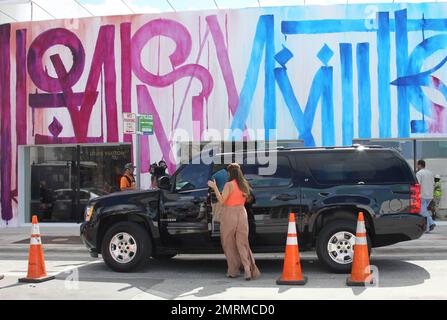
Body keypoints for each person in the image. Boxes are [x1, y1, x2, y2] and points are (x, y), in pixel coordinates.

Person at [208, 163, 261, 281]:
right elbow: (248, 199)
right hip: (242, 213)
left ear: (229, 173)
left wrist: (214, 187)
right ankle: (248, 269)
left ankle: (233, 271)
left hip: (229, 213)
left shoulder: (229, 185)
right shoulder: (244, 185)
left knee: (228, 242)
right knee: (243, 243)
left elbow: (221, 201)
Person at [416, 160, 436, 232]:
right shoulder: (430, 173)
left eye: (417, 165)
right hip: (430, 195)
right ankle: (427, 228)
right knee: (424, 210)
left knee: (422, 211)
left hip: (422, 194)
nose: (416, 166)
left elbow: (417, 184)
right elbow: (433, 183)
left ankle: (431, 223)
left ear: (419, 165)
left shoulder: (419, 173)